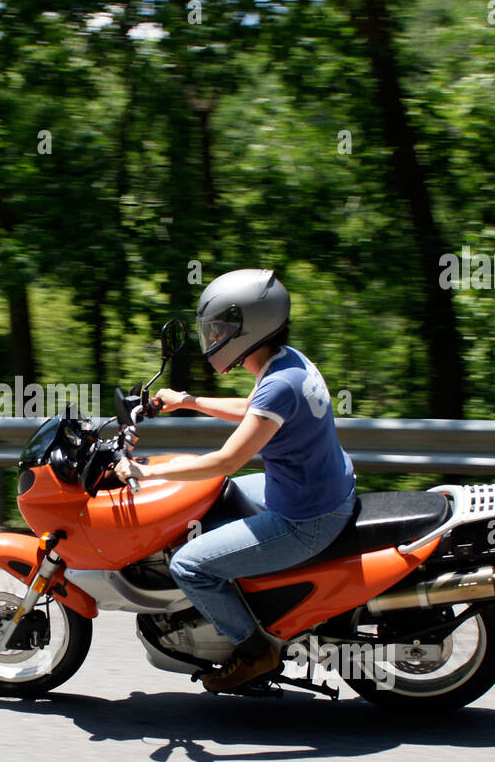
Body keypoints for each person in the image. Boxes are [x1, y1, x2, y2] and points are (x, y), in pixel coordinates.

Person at [114, 268, 356, 693]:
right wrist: (187, 401)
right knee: (216, 500)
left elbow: (227, 459)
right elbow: (253, 407)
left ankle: (254, 651)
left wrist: (145, 471)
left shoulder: (280, 383)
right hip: (313, 489)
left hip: (306, 518)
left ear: (251, 328)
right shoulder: (288, 362)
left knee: (188, 563)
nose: (214, 339)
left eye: (222, 329)